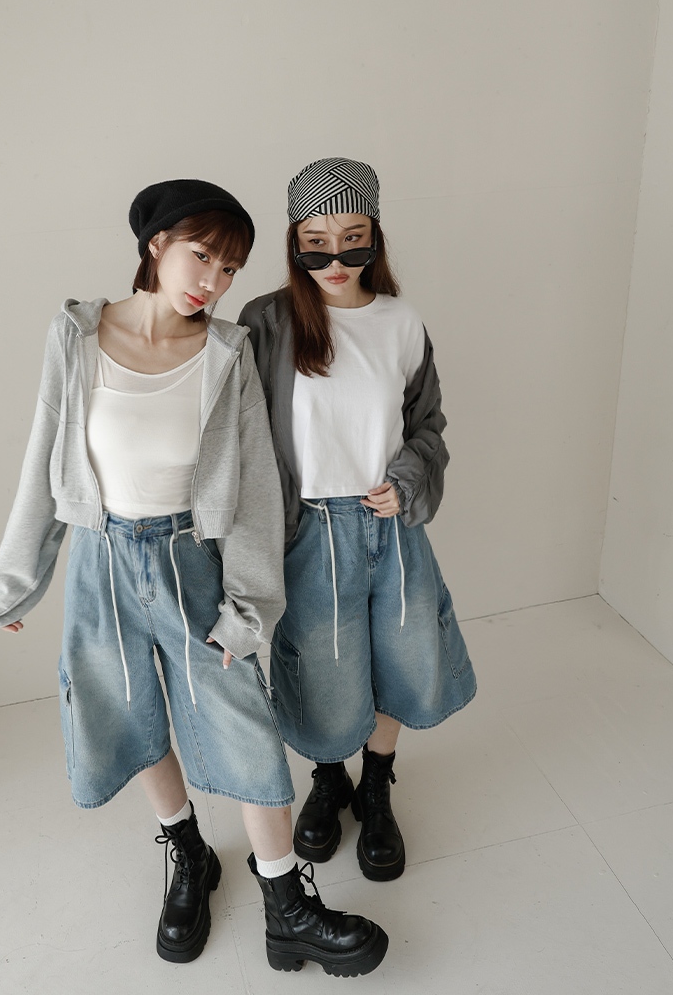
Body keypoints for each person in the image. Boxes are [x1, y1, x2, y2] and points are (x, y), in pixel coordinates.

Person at [0, 179, 387, 976]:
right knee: (126, 711)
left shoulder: (228, 352)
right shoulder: (76, 336)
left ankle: (287, 907)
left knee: (243, 722)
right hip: (100, 559)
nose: (212, 281)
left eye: (229, 269)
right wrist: (13, 582)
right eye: (202, 257)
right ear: (156, 245)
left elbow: (255, 491)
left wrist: (249, 607)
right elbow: (45, 462)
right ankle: (188, 852)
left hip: (191, 559)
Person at [238, 158, 477, 883]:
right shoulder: (267, 321)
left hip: (392, 526)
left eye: (353, 240)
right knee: (325, 669)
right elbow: (239, 435)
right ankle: (328, 777)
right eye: (316, 243)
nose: (335, 260)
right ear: (294, 242)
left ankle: (376, 783)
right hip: (310, 529)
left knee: (402, 657)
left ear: (375, 236)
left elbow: (428, 425)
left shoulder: (401, 321)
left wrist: (407, 482)